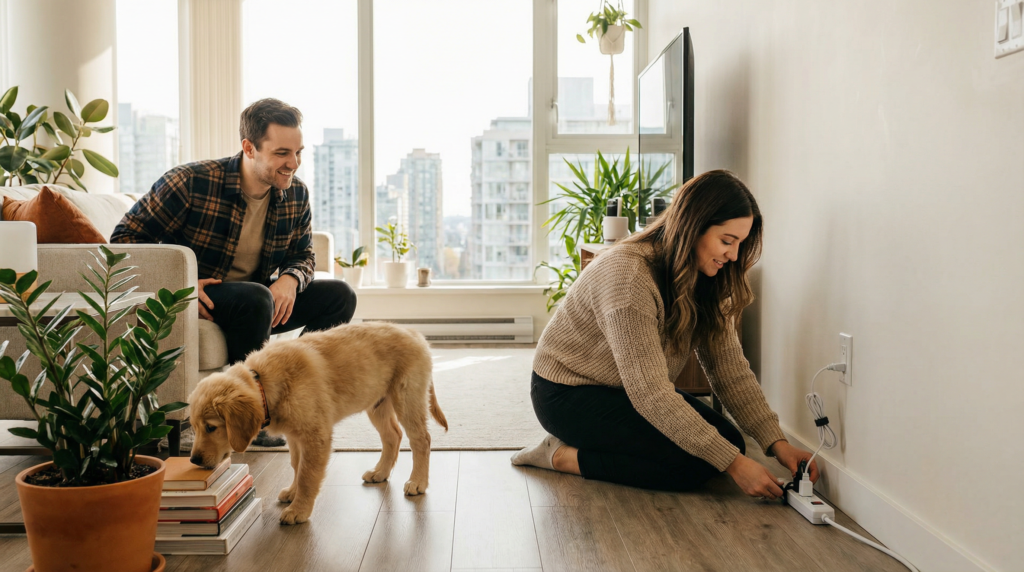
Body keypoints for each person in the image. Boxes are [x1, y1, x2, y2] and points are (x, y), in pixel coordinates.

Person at [512, 170, 819, 499]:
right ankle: (559, 455)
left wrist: (778, 444)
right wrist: (736, 466)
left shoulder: (708, 277)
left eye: (740, 243)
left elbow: (729, 371)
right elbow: (651, 394)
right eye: (727, 241)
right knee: (697, 464)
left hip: (624, 389)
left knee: (729, 445)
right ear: (693, 226)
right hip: (566, 393)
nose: (733, 255)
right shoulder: (628, 275)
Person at [111, 98, 357, 448]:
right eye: (282, 153)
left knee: (340, 296)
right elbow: (124, 240)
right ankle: (252, 418)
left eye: (299, 152)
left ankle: (292, 397)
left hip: (257, 304)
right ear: (249, 148)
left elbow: (303, 254)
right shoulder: (190, 182)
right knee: (255, 295)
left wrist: (290, 279)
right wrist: (181, 286)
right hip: (207, 298)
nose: (294, 164)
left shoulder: (295, 193)